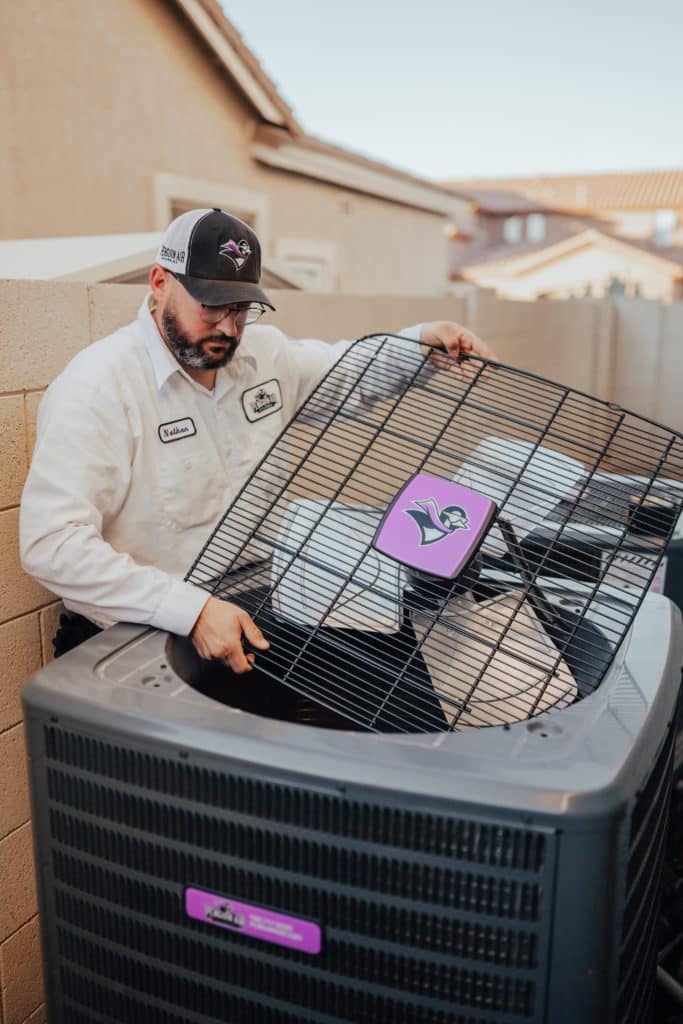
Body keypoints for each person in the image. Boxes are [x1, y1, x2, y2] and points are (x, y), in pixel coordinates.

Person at [20, 208, 496, 673]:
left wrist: (423, 344)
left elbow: (346, 369)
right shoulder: (98, 388)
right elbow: (53, 545)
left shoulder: (261, 357)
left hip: (254, 612)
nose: (229, 329)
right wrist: (192, 610)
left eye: (241, 309)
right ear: (160, 282)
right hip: (137, 639)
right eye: (211, 306)